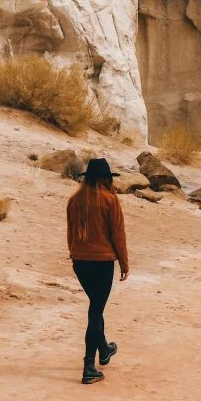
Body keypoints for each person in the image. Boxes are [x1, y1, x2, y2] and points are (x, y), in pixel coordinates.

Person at [66, 157, 129, 384]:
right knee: (95, 310)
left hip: (80, 262)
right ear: (105, 179)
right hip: (102, 262)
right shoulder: (109, 200)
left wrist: (75, 254)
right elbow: (118, 235)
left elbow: (70, 234)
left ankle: (104, 348)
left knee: (96, 306)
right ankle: (88, 366)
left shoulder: (74, 200)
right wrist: (124, 263)